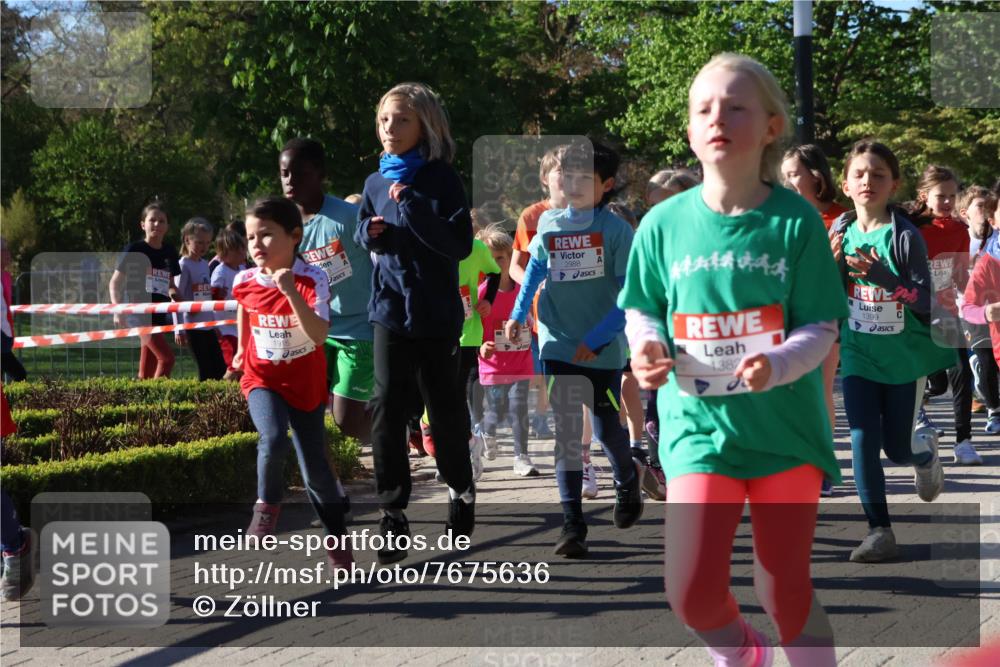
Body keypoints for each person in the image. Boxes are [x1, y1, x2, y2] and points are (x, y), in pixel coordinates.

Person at [621, 53, 845, 665]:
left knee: (783, 587)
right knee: (691, 592)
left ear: (772, 126)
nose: (717, 118)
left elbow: (821, 326)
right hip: (697, 430)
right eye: (704, 109)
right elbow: (642, 308)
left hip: (785, 431)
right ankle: (746, 654)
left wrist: (779, 364)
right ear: (691, 131)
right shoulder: (662, 224)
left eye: (735, 106)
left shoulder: (795, 221)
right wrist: (645, 346)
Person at [353, 82, 475, 565]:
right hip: (388, 311)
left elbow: (457, 246)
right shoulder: (373, 182)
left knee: (443, 414)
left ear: (424, 125)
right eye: (384, 119)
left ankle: (460, 488)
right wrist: (368, 233)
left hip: (435, 315)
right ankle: (393, 513)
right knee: (385, 406)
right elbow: (366, 230)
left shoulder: (442, 178)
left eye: (401, 119)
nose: (390, 128)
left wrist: (413, 206)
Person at [506, 139, 643, 559]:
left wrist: (598, 338)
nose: (572, 184)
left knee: (605, 428)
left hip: (602, 348)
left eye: (584, 177)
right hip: (557, 342)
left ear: (606, 185)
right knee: (567, 432)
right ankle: (572, 524)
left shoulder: (617, 232)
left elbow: (630, 295)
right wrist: (516, 313)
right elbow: (534, 271)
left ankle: (627, 479)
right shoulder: (548, 223)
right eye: (566, 175)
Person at [830, 141, 952, 563]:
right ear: (846, 184)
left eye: (878, 174)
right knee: (862, 439)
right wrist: (828, 267)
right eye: (860, 174)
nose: (868, 181)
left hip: (903, 358)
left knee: (896, 450)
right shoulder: (839, 232)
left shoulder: (904, 236)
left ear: (894, 184)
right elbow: (827, 294)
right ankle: (879, 531)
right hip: (858, 353)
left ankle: (924, 455)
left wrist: (884, 277)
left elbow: (925, 301)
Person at [231, 197, 351, 572]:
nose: (256, 244)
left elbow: (318, 335)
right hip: (262, 378)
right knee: (272, 438)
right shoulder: (244, 279)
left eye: (266, 235)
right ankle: (267, 506)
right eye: (251, 237)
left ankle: (337, 541)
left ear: (294, 236)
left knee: (316, 471)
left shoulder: (312, 278)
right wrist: (241, 348)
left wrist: (291, 292)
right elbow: (244, 306)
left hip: (305, 385)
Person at [281, 137, 375, 443]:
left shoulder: (347, 217)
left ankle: (397, 426)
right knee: (303, 412)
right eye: (284, 173)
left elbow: (381, 261)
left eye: (300, 173)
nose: (290, 181)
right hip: (314, 330)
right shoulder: (284, 225)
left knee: (347, 422)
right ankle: (326, 470)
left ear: (320, 174)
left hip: (359, 330)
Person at [781, 144, 849, 496]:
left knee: (819, 389)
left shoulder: (842, 218)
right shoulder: (781, 216)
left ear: (816, 176)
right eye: (784, 175)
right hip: (784, 314)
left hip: (824, 314)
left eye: (794, 174)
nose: (787, 182)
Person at [906, 165, 980, 464]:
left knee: (961, 372)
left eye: (952, 195)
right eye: (941, 196)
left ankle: (964, 442)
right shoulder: (909, 227)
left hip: (947, 313)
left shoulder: (959, 230)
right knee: (932, 381)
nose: (948, 201)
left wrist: (972, 306)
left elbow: (961, 276)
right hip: (913, 314)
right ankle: (918, 415)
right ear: (924, 196)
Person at [510, 145, 569, 440]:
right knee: (541, 372)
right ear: (545, 178)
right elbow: (515, 267)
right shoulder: (532, 216)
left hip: (579, 311)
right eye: (560, 171)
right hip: (539, 313)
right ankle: (543, 419)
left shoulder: (590, 214)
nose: (568, 177)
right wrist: (537, 284)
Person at [476, 224, 538, 477]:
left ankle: (521, 457)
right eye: (490, 258)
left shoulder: (523, 290)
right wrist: (481, 347)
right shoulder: (482, 294)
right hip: (493, 365)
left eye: (500, 258)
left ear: (510, 258)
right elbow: (474, 328)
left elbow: (533, 317)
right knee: (497, 411)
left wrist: (533, 325)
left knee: (519, 408)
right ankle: (486, 432)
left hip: (521, 360)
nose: (496, 263)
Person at [108, 203, 181, 379]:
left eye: (161, 221)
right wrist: (117, 310)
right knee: (167, 359)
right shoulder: (134, 250)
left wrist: (178, 297)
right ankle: (159, 395)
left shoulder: (169, 251)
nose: (157, 224)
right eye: (152, 220)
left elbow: (171, 285)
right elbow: (114, 283)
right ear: (143, 224)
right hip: (138, 314)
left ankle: (141, 393)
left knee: (148, 369)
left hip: (159, 313)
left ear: (167, 226)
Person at [175, 218, 227, 381]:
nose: (204, 247)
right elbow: (175, 297)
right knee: (205, 369)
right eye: (199, 242)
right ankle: (203, 397)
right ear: (187, 240)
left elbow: (205, 295)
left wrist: (214, 324)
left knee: (220, 367)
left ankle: (217, 397)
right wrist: (179, 329)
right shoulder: (183, 265)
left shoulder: (204, 264)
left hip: (208, 325)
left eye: (207, 243)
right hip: (192, 326)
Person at [211, 227, 248, 380]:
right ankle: (223, 390)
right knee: (232, 359)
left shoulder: (243, 269)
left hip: (240, 323)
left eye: (243, 249)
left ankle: (240, 388)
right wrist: (218, 294)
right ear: (225, 254)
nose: (242, 253)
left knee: (244, 357)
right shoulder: (220, 271)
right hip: (224, 325)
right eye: (237, 250)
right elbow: (212, 295)